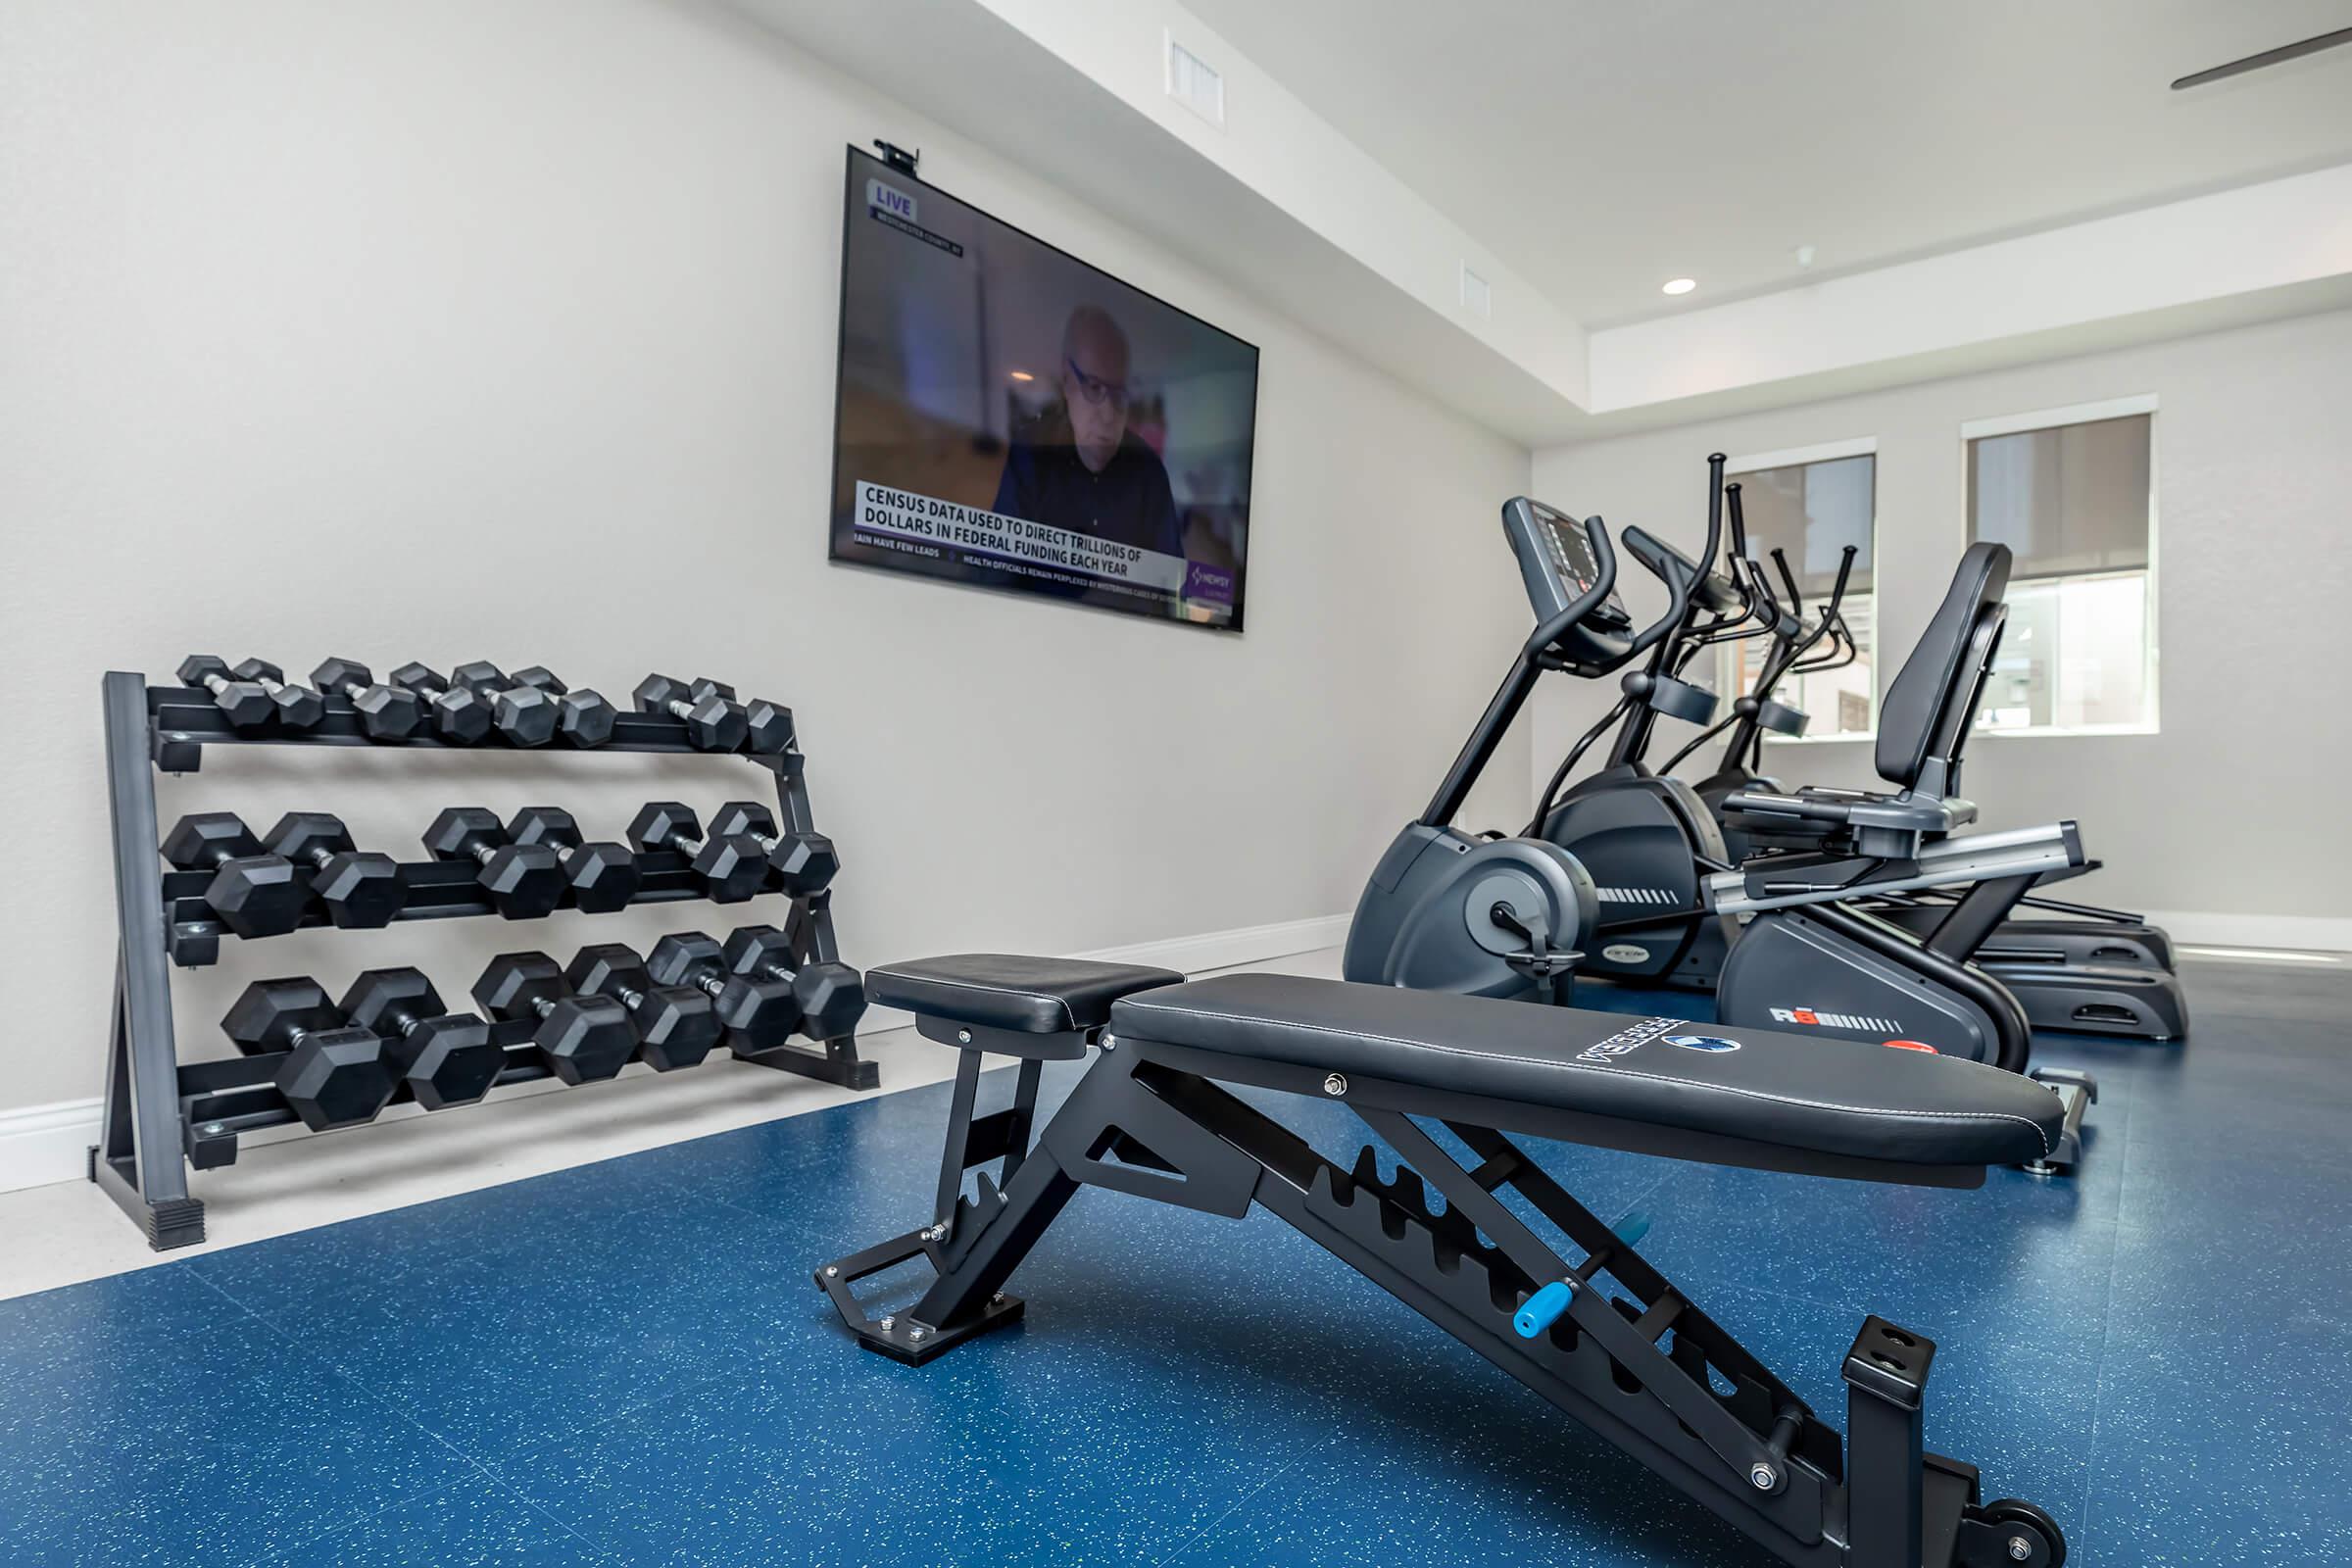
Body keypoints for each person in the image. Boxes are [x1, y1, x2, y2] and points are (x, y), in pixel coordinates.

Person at [993, 305, 1183, 560]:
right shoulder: (1031, 453)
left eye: (1119, 392)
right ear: (1067, 379)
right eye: (1094, 387)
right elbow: (992, 571)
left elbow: (1172, 586)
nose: (1108, 414)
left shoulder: (1148, 471)